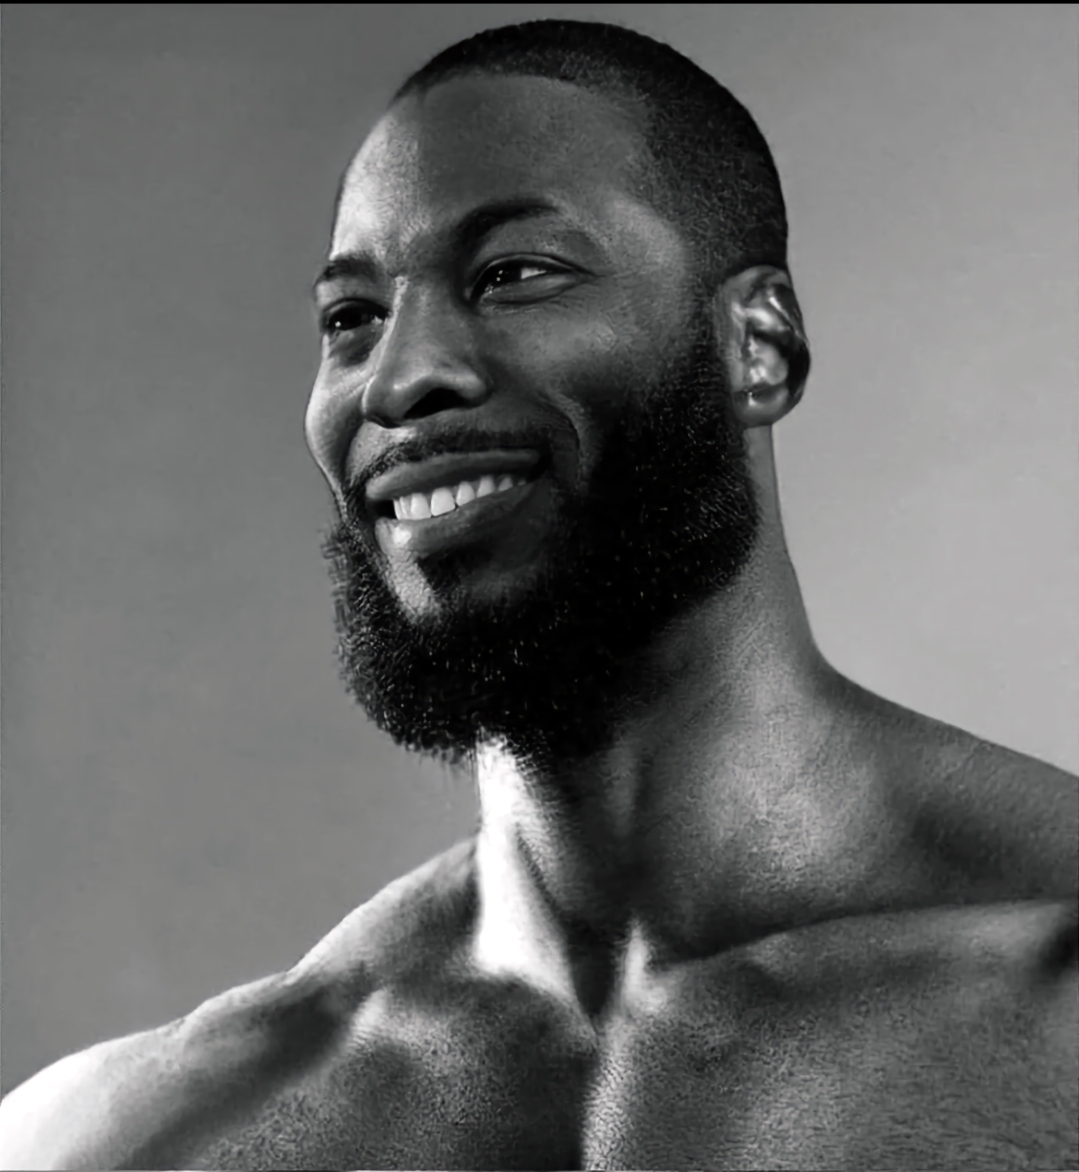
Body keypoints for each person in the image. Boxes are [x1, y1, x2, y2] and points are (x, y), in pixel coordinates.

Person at [1, 18, 1075, 1171]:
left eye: (512, 274)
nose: (399, 380)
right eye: (351, 318)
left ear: (754, 345)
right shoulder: (150, 1129)